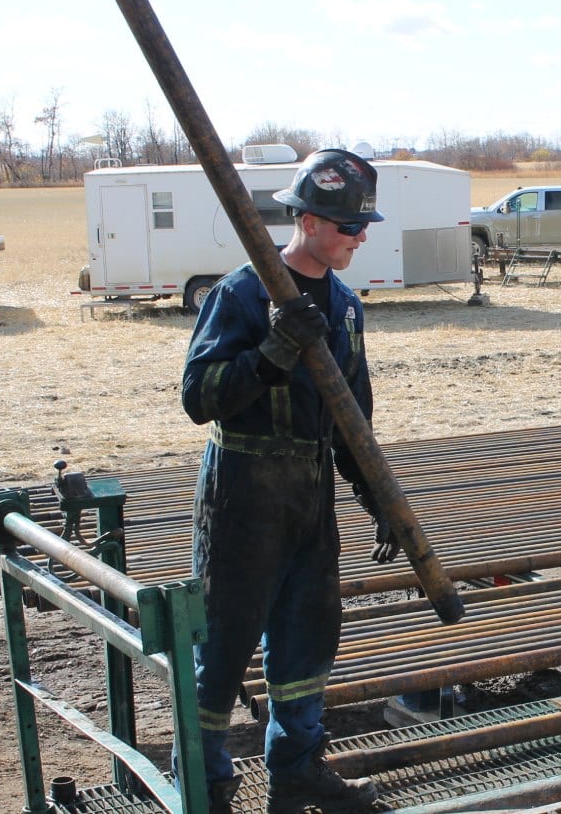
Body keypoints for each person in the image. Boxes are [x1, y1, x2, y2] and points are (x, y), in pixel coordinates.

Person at [180, 148, 399, 814]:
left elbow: (352, 419)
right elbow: (198, 397)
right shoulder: (241, 294)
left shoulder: (346, 308)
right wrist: (270, 355)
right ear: (304, 218)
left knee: (307, 638)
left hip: (308, 496)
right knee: (223, 642)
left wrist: (378, 499)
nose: (358, 237)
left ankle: (297, 769)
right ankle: (208, 781)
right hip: (242, 493)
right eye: (345, 226)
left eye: (362, 226)